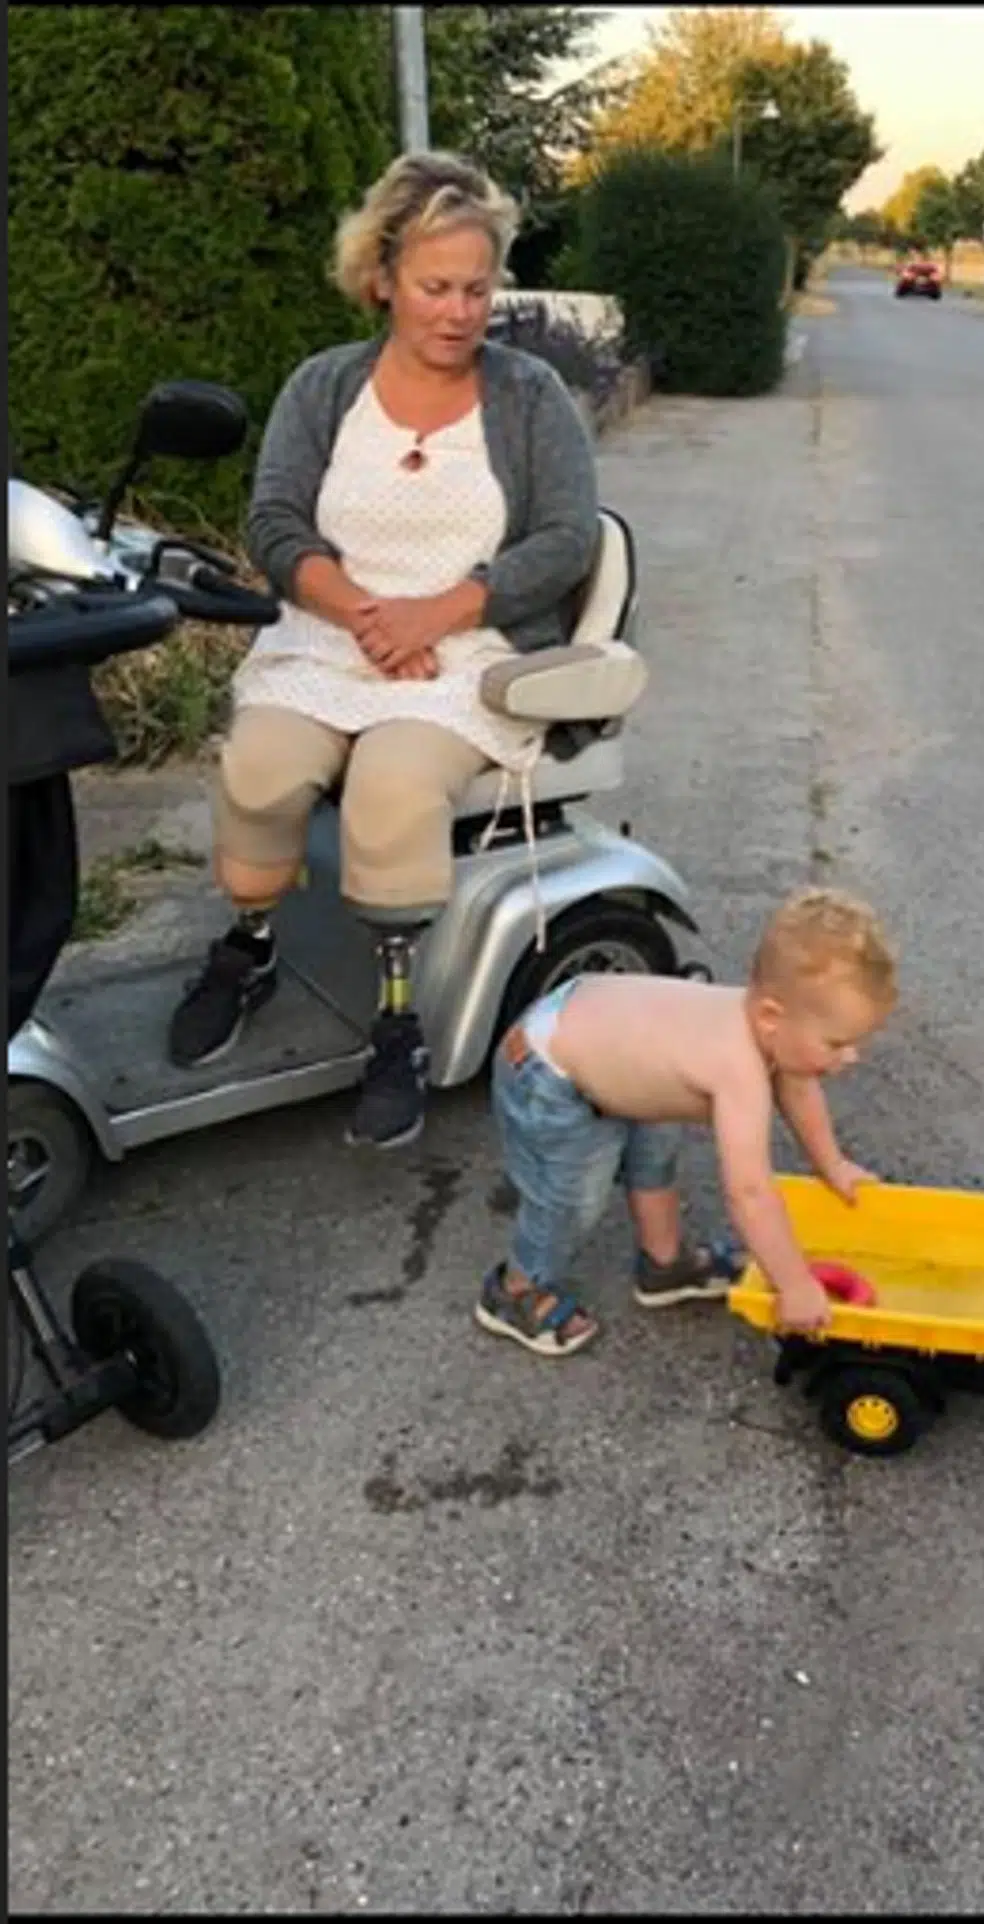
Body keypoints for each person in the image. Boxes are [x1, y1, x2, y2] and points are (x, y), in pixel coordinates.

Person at [167, 151, 599, 1150]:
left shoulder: (529, 396)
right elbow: (275, 520)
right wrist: (364, 610)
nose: (458, 312)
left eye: (478, 288)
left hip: (466, 653)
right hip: (331, 634)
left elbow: (565, 540)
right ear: (383, 279)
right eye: (434, 287)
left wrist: (434, 615)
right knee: (262, 771)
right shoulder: (325, 386)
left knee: (393, 791)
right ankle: (251, 945)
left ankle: (398, 1022)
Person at [474, 886, 897, 1357]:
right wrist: (795, 1284)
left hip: (603, 1035)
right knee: (570, 1197)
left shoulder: (770, 1027)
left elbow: (798, 1088)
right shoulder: (738, 1066)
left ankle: (665, 1265)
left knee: (656, 1152)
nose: (852, 1057)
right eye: (836, 1043)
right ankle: (514, 1290)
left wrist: (833, 1164)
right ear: (772, 1017)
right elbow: (750, 1192)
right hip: (547, 1067)